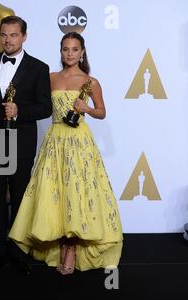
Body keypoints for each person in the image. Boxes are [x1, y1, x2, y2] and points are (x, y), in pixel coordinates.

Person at [9, 32, 123, 275]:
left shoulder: (90, 82)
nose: (69, 53)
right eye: (65, 49)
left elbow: (102, 112)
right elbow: (39, 104)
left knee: (76, 194)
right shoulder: (49, 77)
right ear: (60, 51)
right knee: (56, 194)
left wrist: (87, 109)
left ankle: (70, 250)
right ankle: (58, 243)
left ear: (82, 52)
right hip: (55, 140)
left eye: (74, 49)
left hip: (79, 143)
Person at [0, 16, 52, 274]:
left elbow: (45, 108)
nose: (8, 40)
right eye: (4, 34)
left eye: (13, 35)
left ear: (24, 36)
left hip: (22, 143)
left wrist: (19, 110)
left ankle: (19, 250)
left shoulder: (38, 68)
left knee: (21, 196)